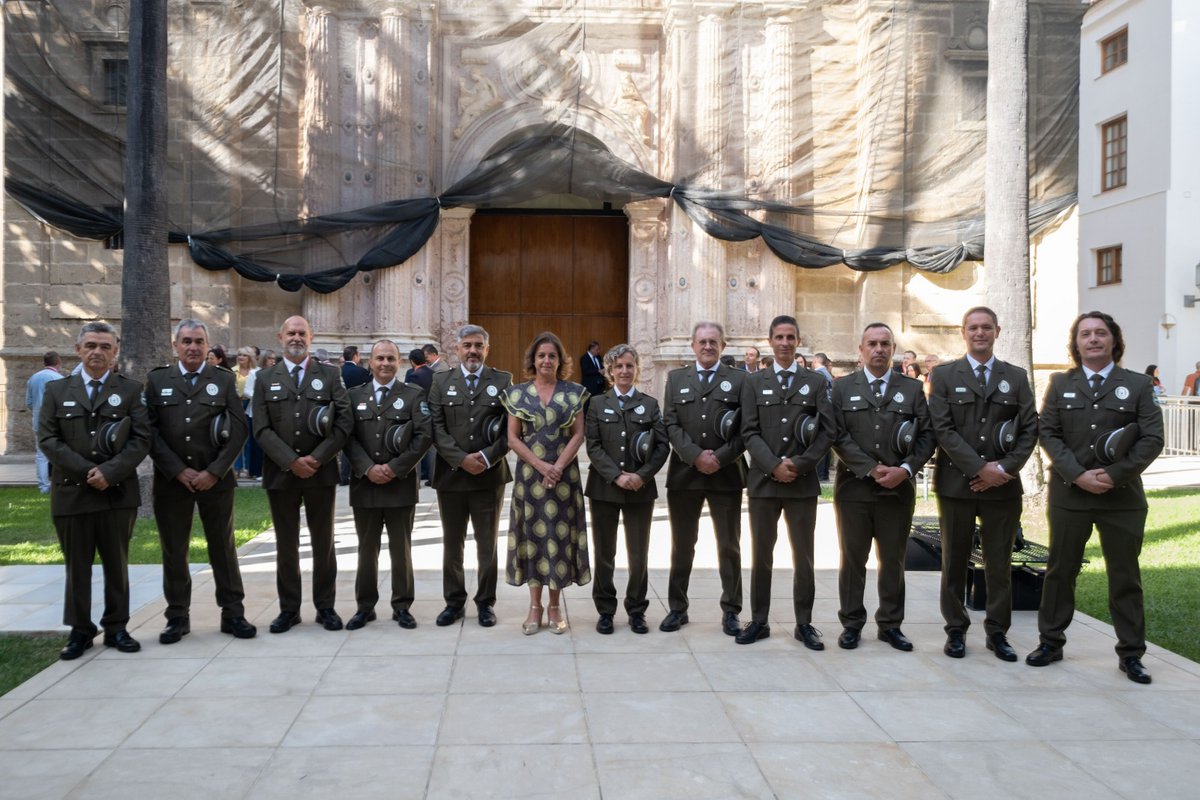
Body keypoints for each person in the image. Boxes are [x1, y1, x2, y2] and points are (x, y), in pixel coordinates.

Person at [1027, 311, 1164, 684]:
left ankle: (1131, 654)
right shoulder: (1060, 383)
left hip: (1122, 498)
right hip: (1070, 494)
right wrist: (1077, 474)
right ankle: (1050, 643)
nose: (1093, 339)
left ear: (1114, 340)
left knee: (1125, 576)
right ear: (1076, 343)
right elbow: (1048, 432)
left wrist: (1115, 475)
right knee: (1060, 571)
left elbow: (1153, 438)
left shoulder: (1137, 384)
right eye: (1085, 334)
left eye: (1100, 333)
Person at [927, 307, 1038, 661]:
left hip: (1003, 486)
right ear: (963, 332)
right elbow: (942, 428)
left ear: (997, 331)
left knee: (999, 562)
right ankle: (955, 631)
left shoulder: (1016, 377)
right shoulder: (944, 375)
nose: (980, 333)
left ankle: (997, 632)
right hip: (956, 486)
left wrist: (1002, 468)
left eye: (986, 327)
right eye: (973, 327)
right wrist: (979, 468)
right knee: (954, 561)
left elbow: (1029, 428)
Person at [39, 321, 151, 660]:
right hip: (72, 492)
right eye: (90, 345)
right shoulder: (57, 391)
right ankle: (80, 631)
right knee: (77, 566)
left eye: (104, 346)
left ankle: (117, 628)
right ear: (78, 350)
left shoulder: (130, 390)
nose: (97, 352)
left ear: (115, 351)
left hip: (116, 494)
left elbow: (141, 439)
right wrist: (87, 471)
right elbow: (48, 439)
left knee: (117, 564)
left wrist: (110, 472)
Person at [145, 320, 255, 643]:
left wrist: (214, 471)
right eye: (187, 341)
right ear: (175, 345)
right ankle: (177, 617)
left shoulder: (223, 380)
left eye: (199, 341)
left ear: (207, 346)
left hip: (215, 481)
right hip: (172, 482)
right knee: (174, 550)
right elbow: (149, 431)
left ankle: (233, 613)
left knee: (223, 547)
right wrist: (178, 470)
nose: (193, 347)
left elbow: (239, 429)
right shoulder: (158, 380)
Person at [831, 323, 935, 652]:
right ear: (861, 350)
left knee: (893, 560)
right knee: (853, 560)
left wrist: (905, 469)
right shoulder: (842, 388)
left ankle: (890, 625)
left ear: (893, 349)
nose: (879, 349)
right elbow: (837, 435)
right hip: (854, 489)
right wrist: (870, 468)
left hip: (897, 490)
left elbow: (927, 435)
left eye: (885, 344)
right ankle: (851, 624)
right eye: (872, 344)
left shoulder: (912, 389)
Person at [738, 315, 835, 648]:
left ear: (798, 341)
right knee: (761, 554)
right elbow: (748, 430)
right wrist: (772, 465)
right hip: (764, 483)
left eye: (790, 337)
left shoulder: (815, 382)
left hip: (801, 482)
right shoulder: (753, 382)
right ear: (770, 341)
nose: (784, 342)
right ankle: (759, 620)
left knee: (804, 556)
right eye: (779, 337)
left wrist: (801, 464)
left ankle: (804, 623)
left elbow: (827, 432)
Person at [253, 316, 352, 633]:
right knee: (286, 544)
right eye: (291, 333)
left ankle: (325, 607)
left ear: (311, 337)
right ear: (280, 337)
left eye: (302, 333)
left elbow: (344, 422)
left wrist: (317, 458)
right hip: (281, 474)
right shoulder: (265, 378)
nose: (296, 338)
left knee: (324, 543)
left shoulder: (331, 374)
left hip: (320, 474)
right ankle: (289, 610)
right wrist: (291, 460)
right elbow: (261, 428)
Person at [661, 321, 747, 636]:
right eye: (702, 341)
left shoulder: (740, 380)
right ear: (693, 346)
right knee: (682, 545)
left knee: (729, 546)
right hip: (685, 474)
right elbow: (671, 423)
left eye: (713, 341)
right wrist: (695, 456)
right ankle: (677, 608)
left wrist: (720, 458)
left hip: (726, 475)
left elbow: (746, 428)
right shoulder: (676, 379)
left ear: (723, 346)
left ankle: (731, 610)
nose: (708, 346)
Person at [503, 332, 591, 634]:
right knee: (532, 538)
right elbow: (513, 438)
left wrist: (557, 467)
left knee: (558, 537)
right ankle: (534, 606)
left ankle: (554, 606)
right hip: (531, 479)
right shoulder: (517, 394)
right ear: (533, 359)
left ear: (560, 360)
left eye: (552, 355)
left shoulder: (574, 393)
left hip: (564, 478)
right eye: (541, 355)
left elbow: (578, 434)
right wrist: (542, 466)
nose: (546, 360)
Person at [343, 340, 433, 630]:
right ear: (370, 362)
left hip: (400, 485)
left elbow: (423, 436)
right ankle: (364, 607)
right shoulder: (353, 395)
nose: (385, 364)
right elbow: (346, 437)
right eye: (380, 358)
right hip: (365, 485)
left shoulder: (413, 394)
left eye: (391, 359)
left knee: (401, 549)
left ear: (399, 362)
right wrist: (368, 468)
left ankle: (402, 606)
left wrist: (394, 468)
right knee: (366, 550)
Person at [428, 324, 512, 628]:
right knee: (453, 544)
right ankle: (454, 603)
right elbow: (436, 427)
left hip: (489, 477)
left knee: (487, 545)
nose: (473, 351)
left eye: (478, 345)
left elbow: (510, 430)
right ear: (457, 349)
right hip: (451, 476)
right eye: (467, 345)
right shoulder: (440, 381)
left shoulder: (503, 381)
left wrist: (487, 458)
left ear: (487, 349)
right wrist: (461, 459)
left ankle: (485, 603)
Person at [585, 344, 669, 635]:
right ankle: (605, 611)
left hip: (639, 490)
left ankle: (636, 610)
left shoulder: (650, 404)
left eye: (629, 366)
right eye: (618, 366)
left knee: (638, 554)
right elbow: (593, 446)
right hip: (604, 489)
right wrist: (616, 476)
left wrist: (642, 476)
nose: (624, 371)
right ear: (609, 371)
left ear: (637, 369)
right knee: (604, 553)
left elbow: (661, 446)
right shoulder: (597, 404)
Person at [26, 351, 64, 493]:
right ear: (58, 363)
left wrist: (38, 411)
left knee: (41, 454)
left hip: (39, 420)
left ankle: (43, 486)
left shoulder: (33, 378)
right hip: (56, 421)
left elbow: (29, 402)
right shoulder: (59, 379)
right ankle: (58, 483)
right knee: (60, 451)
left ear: (44, 363)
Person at [405, 348, 436, 485]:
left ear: (412, 361)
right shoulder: (434, 374)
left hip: (418, 415)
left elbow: (410, 397)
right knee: (432, 448)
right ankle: (433, 477)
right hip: (433, 414)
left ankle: (416, 480)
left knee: (416, 447)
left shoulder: (414, 376)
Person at [233, 346, 260, 479]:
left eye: (244, 355)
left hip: (251, 405)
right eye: (239, 355)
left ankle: (250, 468)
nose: (241, 357)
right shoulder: (233, 371)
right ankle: (237, 468)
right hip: (237, 404)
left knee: (250, 438)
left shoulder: (257, 371)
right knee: (237, 437)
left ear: (250, 358)